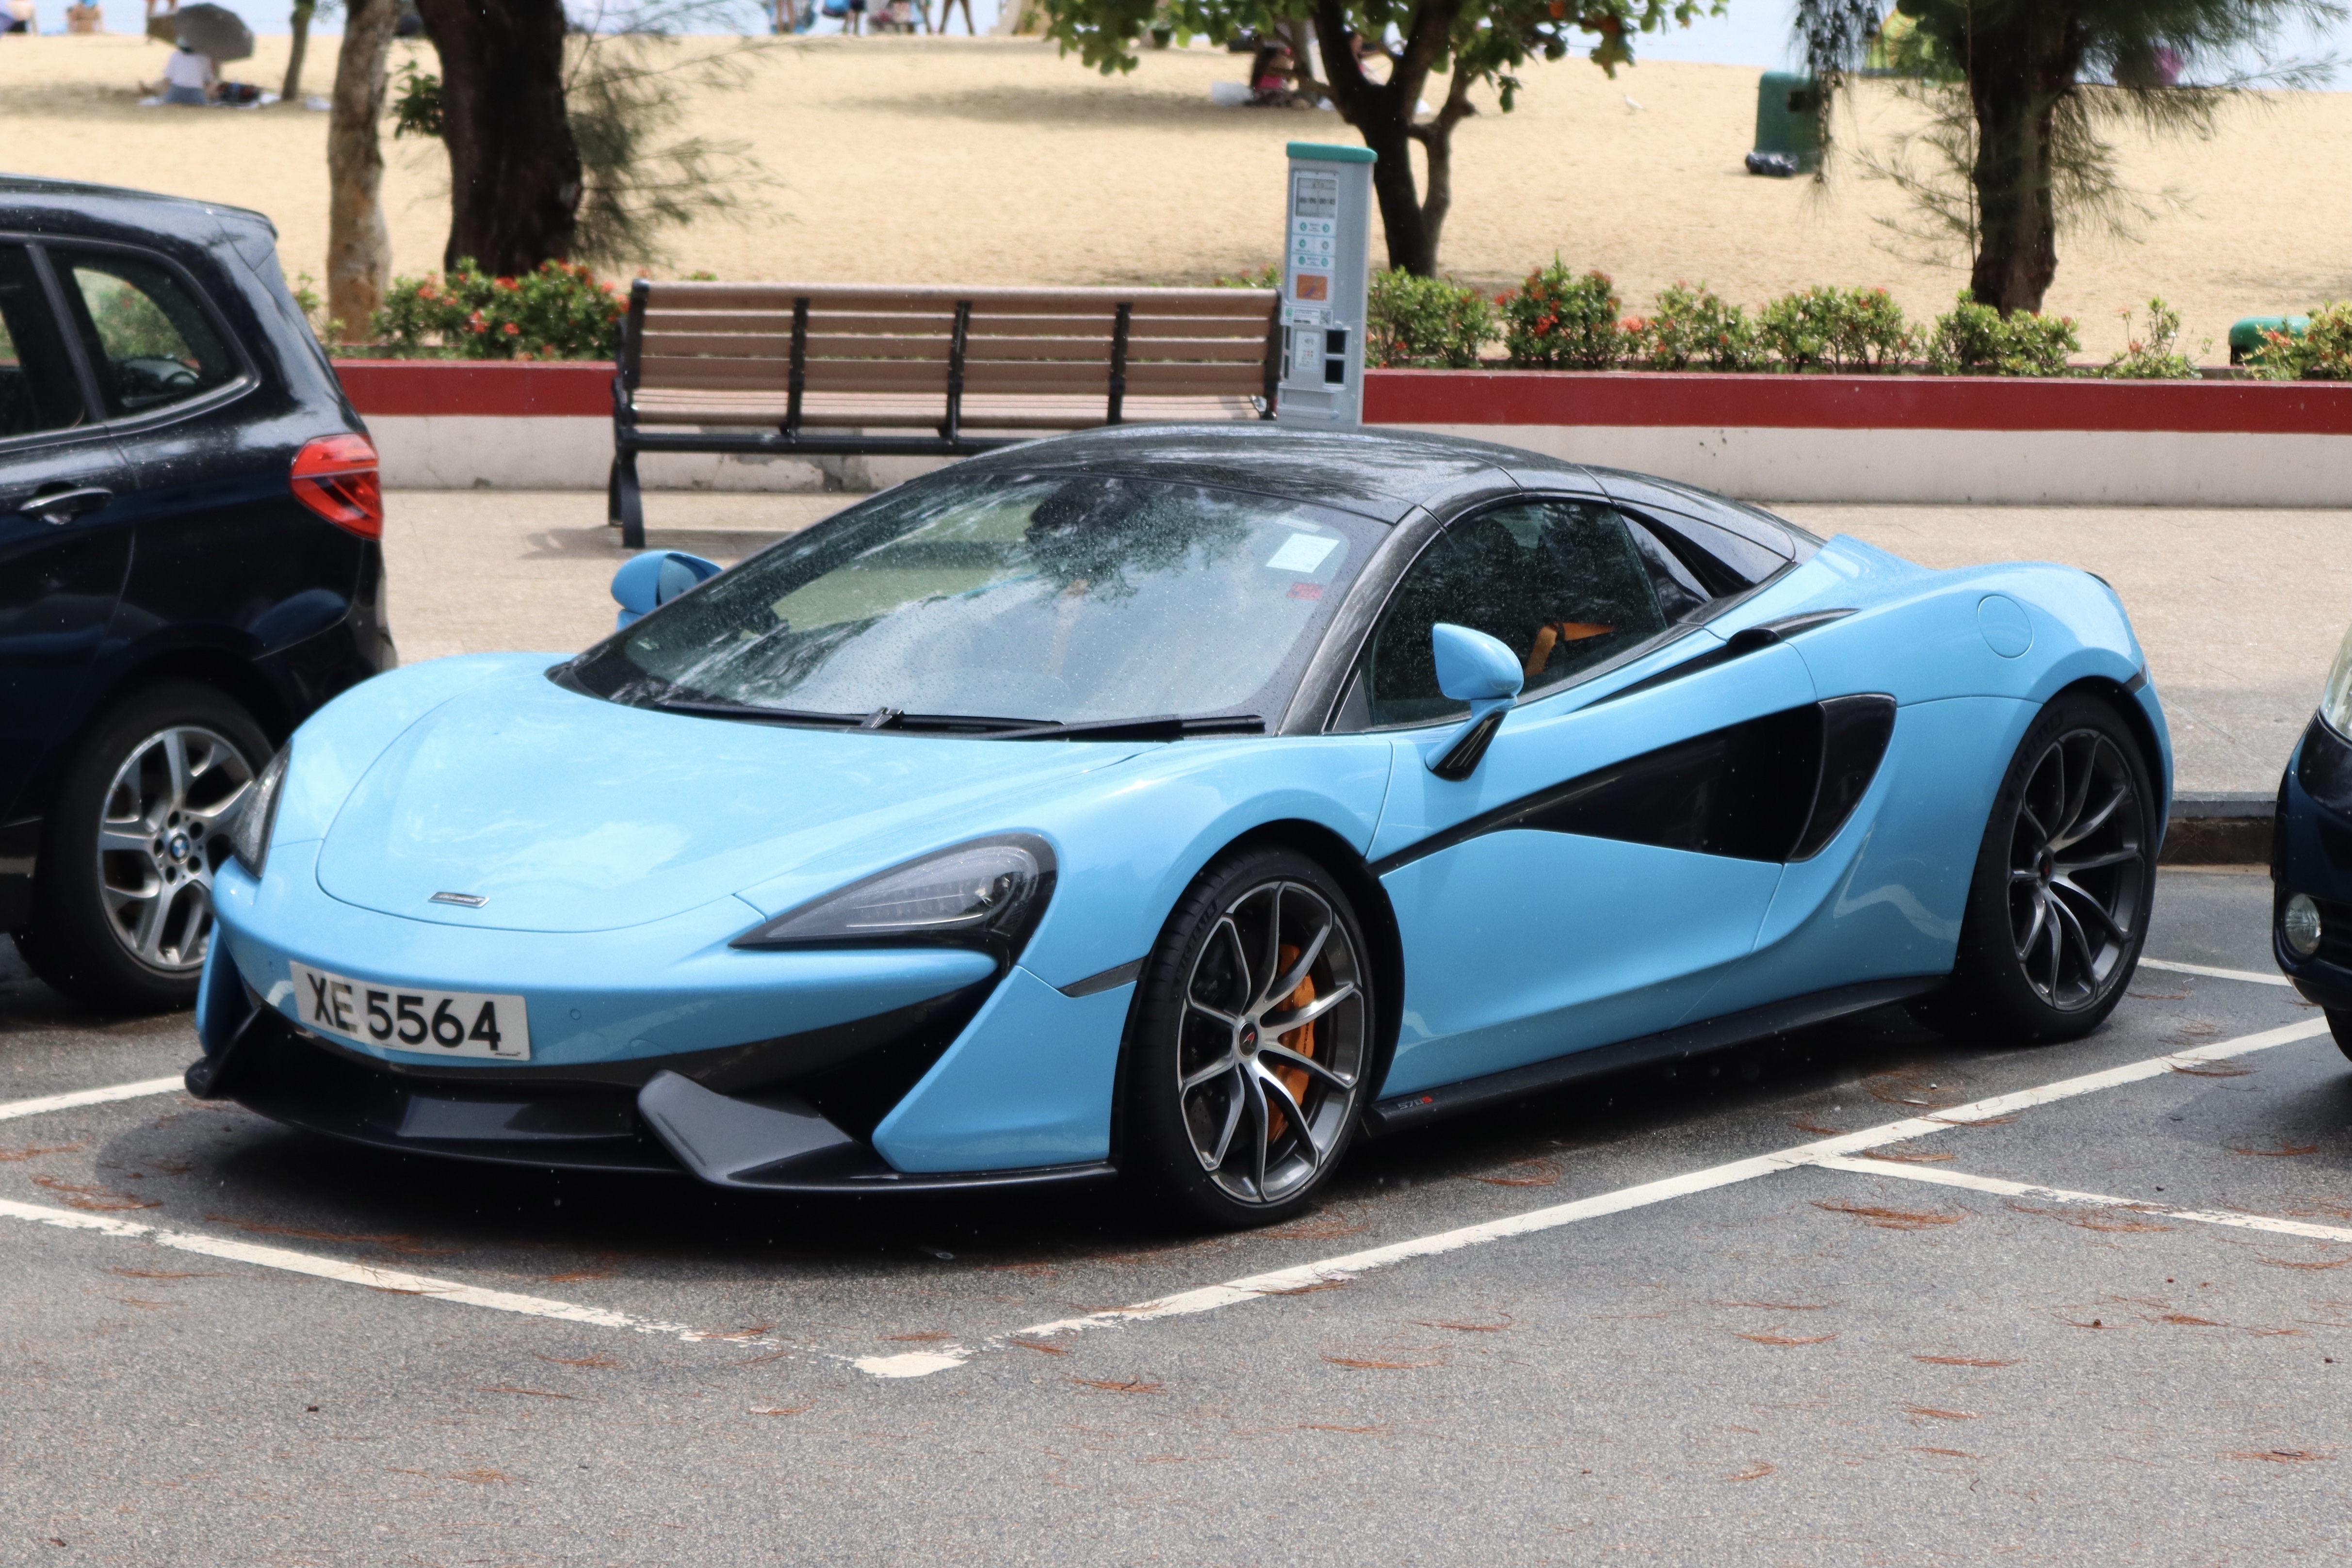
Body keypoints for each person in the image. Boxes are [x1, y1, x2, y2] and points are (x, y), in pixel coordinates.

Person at [162, 42, 215, 106]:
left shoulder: (176, 55)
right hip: (196, 93)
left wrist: (165, 95)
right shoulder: (204, 57)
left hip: (176, 91)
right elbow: (208, 81)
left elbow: (167, 79)